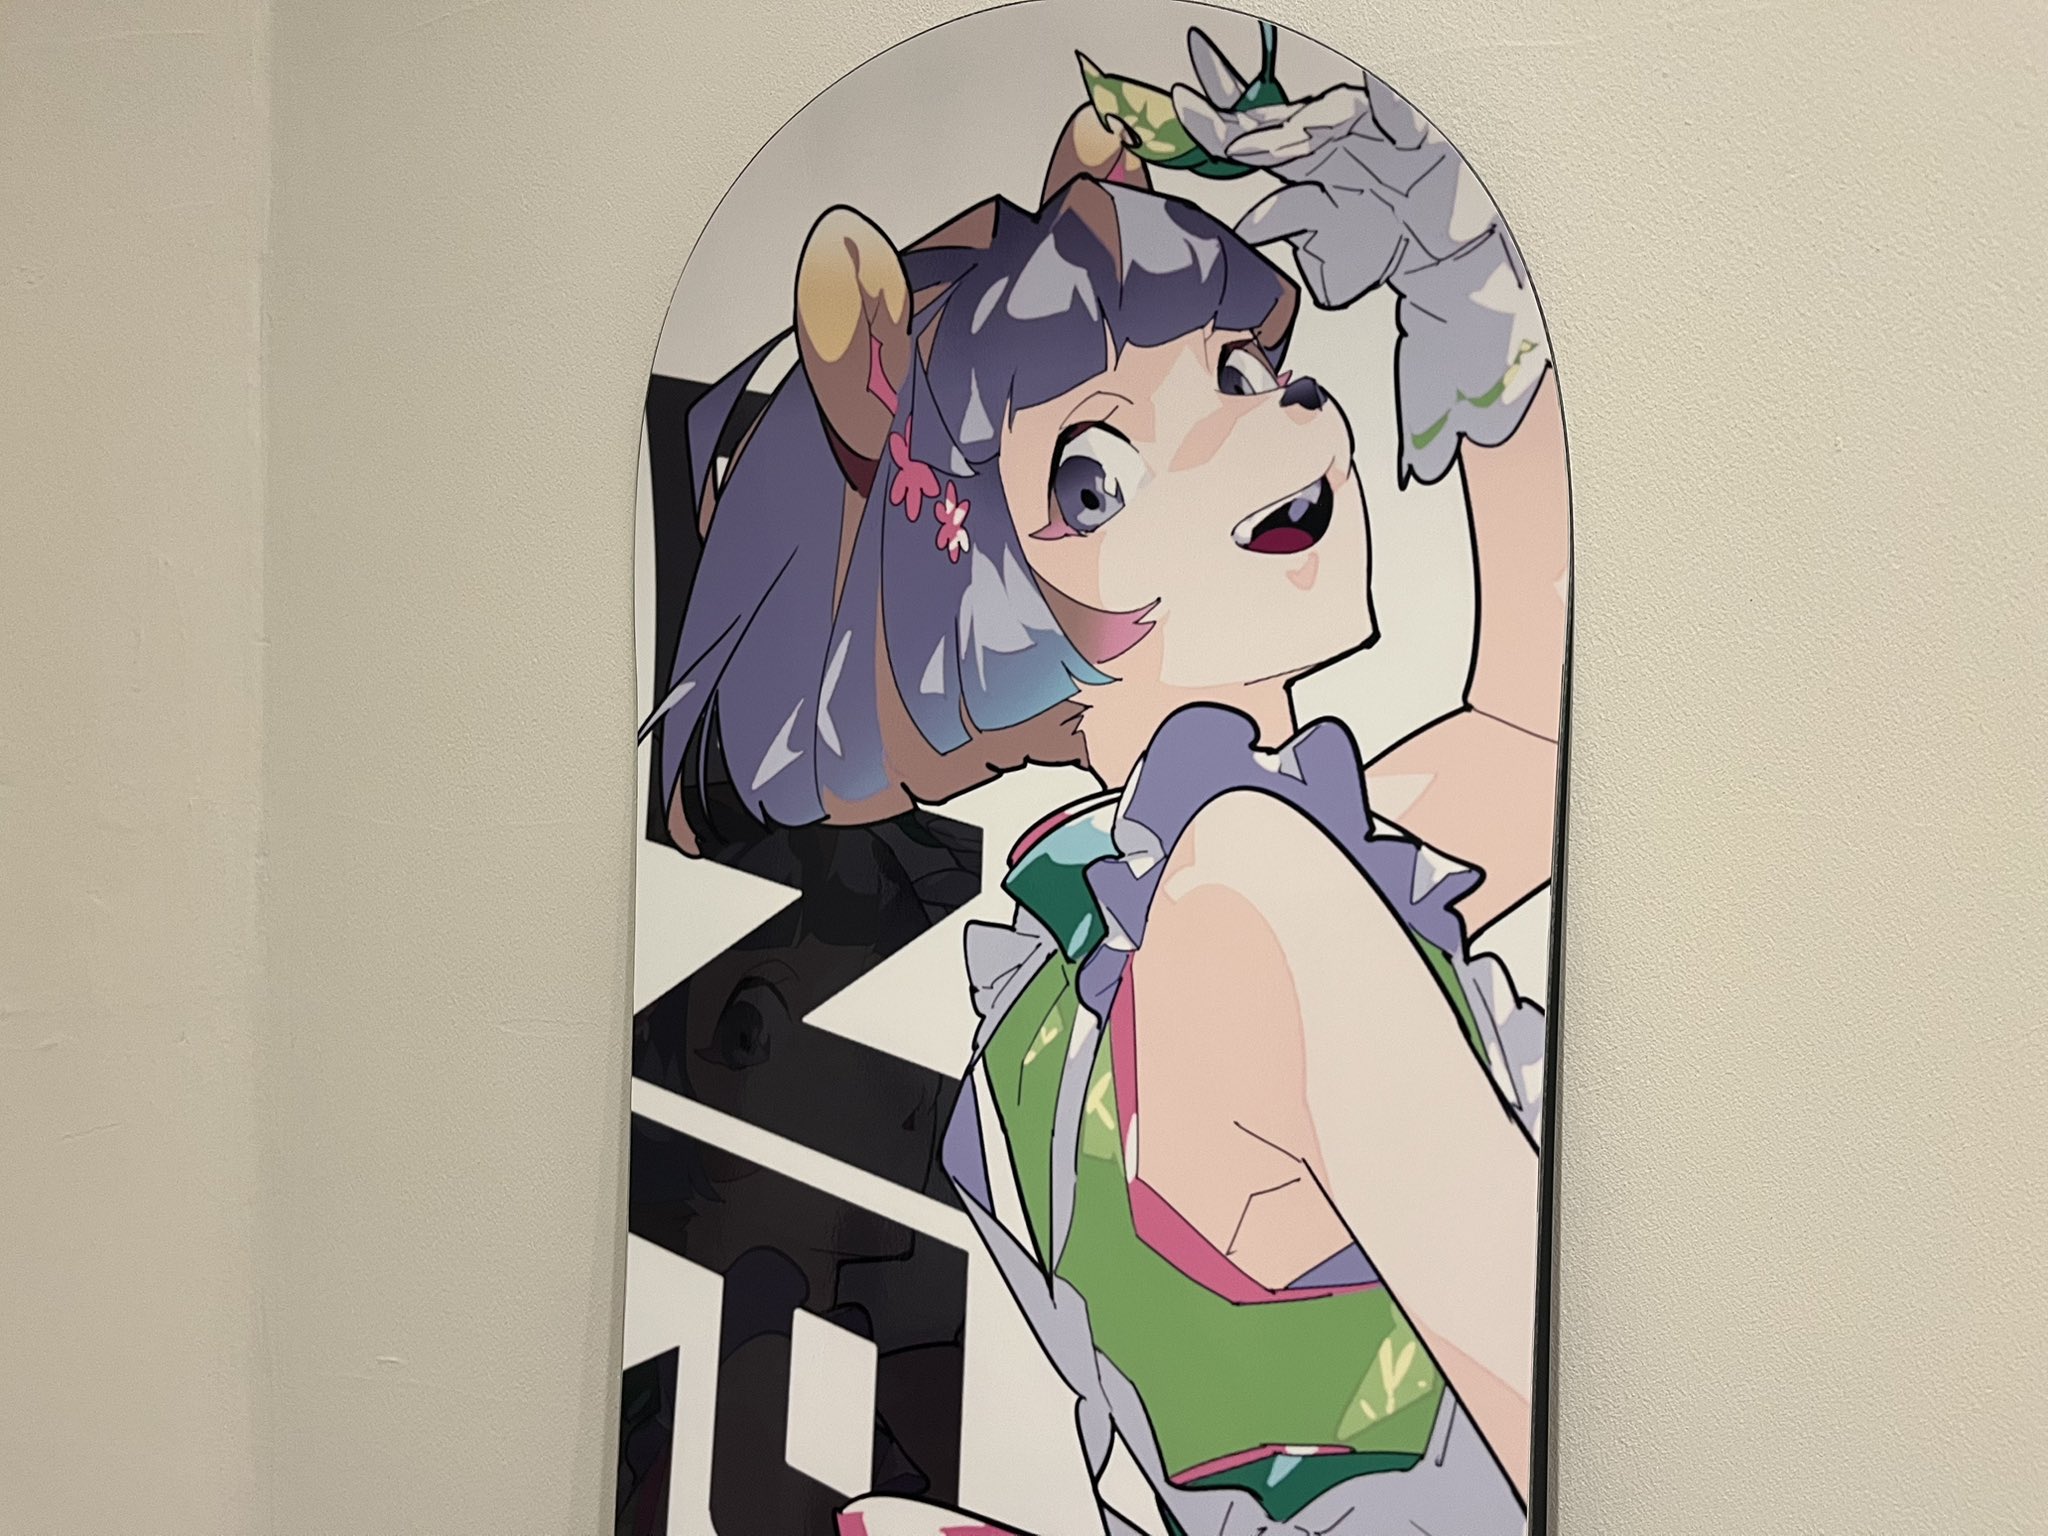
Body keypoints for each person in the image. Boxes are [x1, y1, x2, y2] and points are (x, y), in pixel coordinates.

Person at [647, 25, 1567, 1534]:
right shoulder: (1252, 894)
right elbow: (1524, 1378)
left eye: (1244, 370)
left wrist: (1465, 299)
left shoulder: (1083, 967)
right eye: (1099, 474)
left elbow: (1524, 742)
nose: (1274, 419)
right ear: (1002, 606)